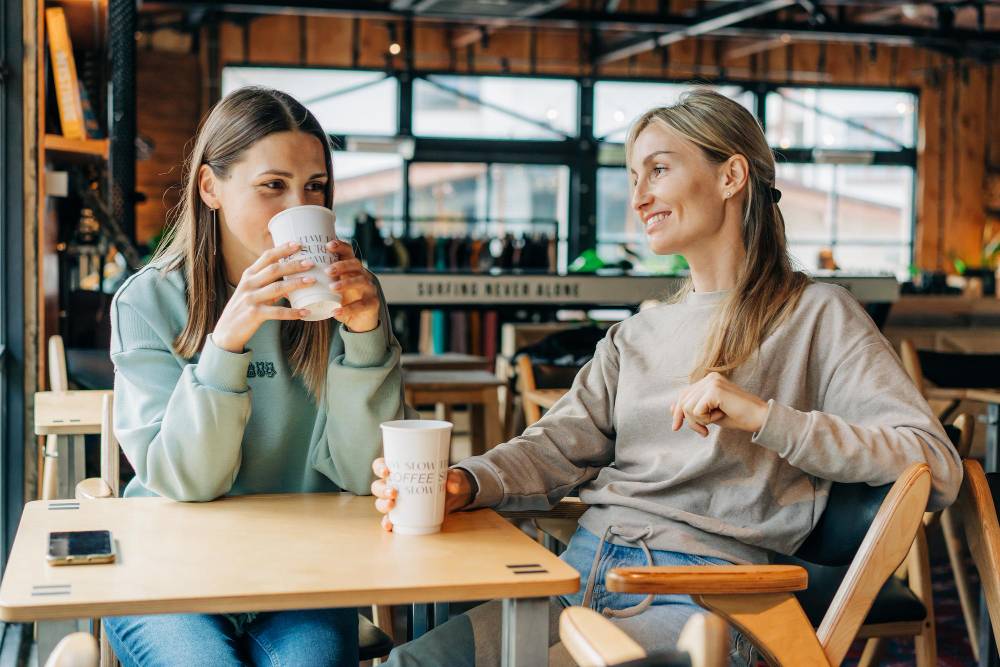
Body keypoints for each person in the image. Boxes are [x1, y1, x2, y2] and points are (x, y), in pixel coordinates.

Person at [371, 89, 963, 666]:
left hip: (701, 595)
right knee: (409, 661)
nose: (639, 196)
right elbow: (552, 447)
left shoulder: (817, 314)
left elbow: (934, 466)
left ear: (731, 176)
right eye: (634, 177)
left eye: (657, 170)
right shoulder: (636, 335)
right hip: (575, 573)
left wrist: (764, 417)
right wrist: (464, 482)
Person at [105, 86, 406, 666]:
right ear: (210, 188)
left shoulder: (346, 300)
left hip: (301, 573)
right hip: (169, 572)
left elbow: (359, 472)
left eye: (314, 187)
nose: (298, 204)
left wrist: (367, 336)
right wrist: (226, 342)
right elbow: (187, 482)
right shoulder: (149, 301)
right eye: (273, 185)